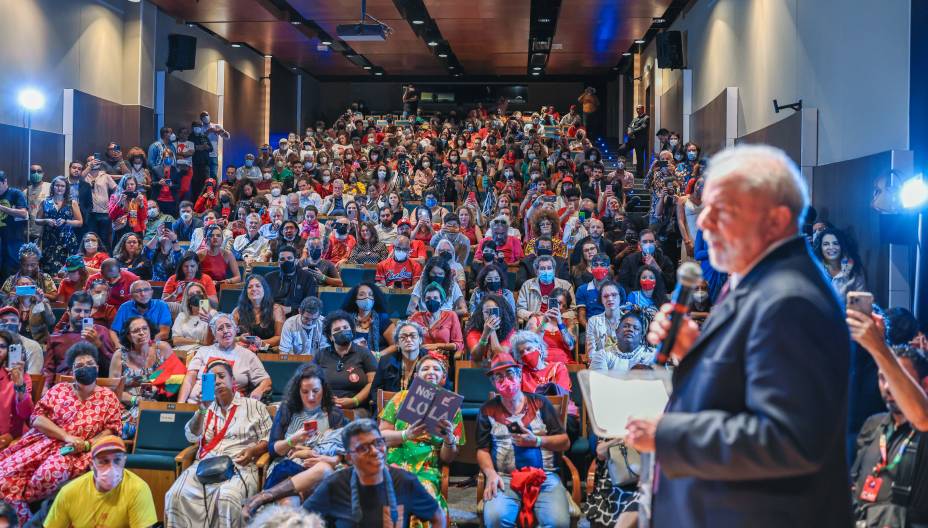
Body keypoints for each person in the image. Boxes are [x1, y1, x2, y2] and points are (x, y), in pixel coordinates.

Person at [626, 145, 852, 527]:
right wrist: (694, 348)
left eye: (721, 209)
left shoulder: (791, 299)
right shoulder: (753, 280)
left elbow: (788, 439)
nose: (705, 222)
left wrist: (668, 435)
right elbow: (744, 382)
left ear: (775, 220)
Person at [0, 342, 122, 524]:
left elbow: (112, 429)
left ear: (97, 367)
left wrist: (87, 444)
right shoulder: (59, 389)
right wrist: (65, 436)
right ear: (72, 371)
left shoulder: (107, 396)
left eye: (89, 364)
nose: (85, 368)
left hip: (77, 452)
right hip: (43, 442)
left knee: (47, 475)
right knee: (4, 476)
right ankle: (25, 520)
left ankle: (31, 517)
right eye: (79, 365)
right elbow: (37, 418)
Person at [164, 358, 271, 528]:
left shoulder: (254, 406)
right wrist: (201, 409)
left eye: (221, 376)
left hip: (240, 465)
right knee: (175, 494)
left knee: (227, 498)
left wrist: (253, 451)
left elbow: (269, 439)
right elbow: (191, 437)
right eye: (212, 379)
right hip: (205, 465)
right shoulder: (206, 408)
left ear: (233, 380)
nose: (218, 381)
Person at [477, 352, 571, 528]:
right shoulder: (487, 410)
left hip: (545, 477)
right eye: (499, 376)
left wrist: (536, 441)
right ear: (494, 383)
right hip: (504, 478)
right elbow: (482, 449)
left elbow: (564, 442)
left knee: (558, 523)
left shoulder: (540, 403)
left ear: (520, 375)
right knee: (496, 519)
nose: (506, 380)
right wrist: (490, 474)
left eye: (510, 374)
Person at [302, 419, 445, 527]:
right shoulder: (335, 484)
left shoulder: (405, 482)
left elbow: (437, 516)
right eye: (363, 448)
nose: (375, 451)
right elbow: (302, 519)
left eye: (378, 443)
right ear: (349, 457)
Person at [379, 353, 463, 521]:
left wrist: (448, 438)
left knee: (421, 505)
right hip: (394, 463)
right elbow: (380, 437)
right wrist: (405, 434)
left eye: (436, 369)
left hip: (427, 468)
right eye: (425, 368)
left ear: (442, 377)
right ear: (417, 376)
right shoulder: (400, 398)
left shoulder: (452, 408)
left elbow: (448, 458)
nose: (430, 371)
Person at [260, 363, 347, 503]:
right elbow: (273, 450)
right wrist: (292, 440)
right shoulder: (287, 409)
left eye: (316, 391)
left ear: (323, 389)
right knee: (289, 502)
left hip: (319, 467)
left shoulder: (333, 413)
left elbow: (343, 449)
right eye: (305, 392)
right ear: (297, 391)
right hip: (287, 468)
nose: (311, 397)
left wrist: (332, 459)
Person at [43, 435, 157, 528]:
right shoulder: (69, 492)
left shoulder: (138, 489)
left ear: (124, 461)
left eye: (117, 460)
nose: (111, 468)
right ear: (92, 465)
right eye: (104, 461)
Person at [177, 313, 272, 403]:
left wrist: (259, 390)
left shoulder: (248, 355)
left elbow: (266, 381)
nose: (226, 331)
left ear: (235, 330)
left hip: (231, 408)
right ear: (214, 334)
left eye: (229, 326)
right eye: (220, 328)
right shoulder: (203, 351)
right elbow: (189, 380)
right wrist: (180, 405)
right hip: (197, 404)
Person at [110, 315, 173, 438]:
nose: (141, 333)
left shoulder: (162, 348)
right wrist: (135, 400)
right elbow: (113, 390)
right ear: (128, 336)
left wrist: (157, 388)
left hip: (157, 403)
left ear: (150, 330)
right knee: (125, 424)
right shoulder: (119, 355)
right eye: (135, 331)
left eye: (145, 328)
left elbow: (176, 377)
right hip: (127, 405)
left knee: (151, 418)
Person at [44, 291, 118, 390]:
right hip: (63, 388)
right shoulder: (55, 337)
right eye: (78, 310)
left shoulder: (101, 332)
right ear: (68, 311)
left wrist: (98, 344)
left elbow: (112, 367)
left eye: (86, 311)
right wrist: (45, 388)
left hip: (93, 386)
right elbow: (48, 370)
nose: (82, 315)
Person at [313, 310, 377, 416]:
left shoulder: (364, 353)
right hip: (326, 408)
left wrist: (354, 401)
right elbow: (310, 382)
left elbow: (373, 383)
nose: (342, 331)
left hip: (358, 409)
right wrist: (326, 399)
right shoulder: (320, 355)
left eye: (345, 328)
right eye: (337, 329)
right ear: (330, 337)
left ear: (352, 330)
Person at [368, 320, 426, 407]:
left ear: (420, 340)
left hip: (419, 411)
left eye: (413, 336)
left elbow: (442, 391)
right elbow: (375, 391)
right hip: (390, 409)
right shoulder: (386, 361)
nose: (408, 339)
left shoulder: (430, 361)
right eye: (403, 337)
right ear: (397, 343)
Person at [588, 302, 655, 373]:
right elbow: (597, 382)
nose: (630, 329)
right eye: (626, 326)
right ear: (617, 331)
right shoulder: (603, 355)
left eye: (636, 328)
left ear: (642, 335)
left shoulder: (651, 355)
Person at [36, 176, 83, 274]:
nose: (59, 188)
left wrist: (66, 221)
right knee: (49, 270)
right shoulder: (45, 202)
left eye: (62, 186)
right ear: (53, 186)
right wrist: (46, 220)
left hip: (67, 240)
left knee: (68, 270)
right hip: (49, 241)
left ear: (66, 188)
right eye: (57, 185)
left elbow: (80, 222)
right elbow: (37, 220)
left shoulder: (72, 203)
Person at [408, 284, 465, 361]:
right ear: (424, 301)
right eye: (428, 298)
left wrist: (437, 346)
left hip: (443, 358)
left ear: (441, 300)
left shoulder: (451, 315)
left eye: (435, 298)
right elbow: (408, 339)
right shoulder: (416, 317)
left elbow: (458, 344)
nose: (431, 301)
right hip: (421, 358)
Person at [516, 255, 575, 326]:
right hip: (536, 323)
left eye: (549, 268)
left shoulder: (566, 285)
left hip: (558, 323)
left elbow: (573, 310)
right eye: (542, 268)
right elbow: (520, 309)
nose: (546, 271)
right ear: (536, 271)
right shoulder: (527, 285)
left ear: (554, 270)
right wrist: (532, 314)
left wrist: (558, 316)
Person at [525, 288, 578, 365]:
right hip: (540, 364)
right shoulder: (535, 320)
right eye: (558, 303)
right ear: (549, 302)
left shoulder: (569, 322)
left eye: (564, 306)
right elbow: (533, 344)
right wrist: (544, 322)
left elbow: (570, 346)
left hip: (564, 365)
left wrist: (560, 323)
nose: (560, 308)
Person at [813, 227, 868, 302]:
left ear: (842, 246)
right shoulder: (814, 268)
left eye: (835, 243)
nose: (831, 247)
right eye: (826, 244)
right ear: (820, 248)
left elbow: (861, 302)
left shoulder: (854, 270)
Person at [232, 274, 286, 349]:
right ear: (246, 292)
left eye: (258, 286)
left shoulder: (276, 309)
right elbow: (230, 336)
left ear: (265, 289)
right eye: (250, 287)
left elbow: (279, 337)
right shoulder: (237, 311)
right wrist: (239, 339)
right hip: (243, 351)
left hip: (267, 353)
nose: (253, 289)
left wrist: (261, 343)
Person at [0, 329, 32, 440]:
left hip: (13, 439)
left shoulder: (21, 378)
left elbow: (26, 413)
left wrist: (19, 384)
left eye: (2, 346)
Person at [466, 293, 517, 362]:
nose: (491, 316)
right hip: (479, 369)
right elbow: (476, 357)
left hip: (502, 370)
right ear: (482, 313)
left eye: (494, 312)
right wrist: (485, 334)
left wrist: (492, 331)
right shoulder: (474, 331)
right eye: (487, 312)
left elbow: (501, 357)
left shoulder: (510, 332)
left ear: (502, 313)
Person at [171, 281, 216, 354]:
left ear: (204, 295)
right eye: (191, 294)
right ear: (188, 299)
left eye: (198, 293)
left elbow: (211, 342)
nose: (196, 296)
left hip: (203, 352)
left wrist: (210, 321)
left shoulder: (212, 314)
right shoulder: (182, 315)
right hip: (183, 352)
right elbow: (176, 340)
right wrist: (198, 341)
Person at [0, 171, 30, 280]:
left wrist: (2, 207)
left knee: (12, 272)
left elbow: (23, 213)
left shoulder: (15, 193)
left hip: (13, 240)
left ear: (5, 181)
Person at [0, 306, 43, 375]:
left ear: (19, 326)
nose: (8, 323)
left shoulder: (32, 346)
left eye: (13, 320)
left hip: (22, 383)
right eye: (4, 321)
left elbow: (34, 377)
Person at [108, 175, 147, 246]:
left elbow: (143, 217)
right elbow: (111, 216)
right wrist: (119, 202)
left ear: (136, 185)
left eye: (132, 184)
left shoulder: (141, 197)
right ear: (123, 185)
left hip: (136, 228)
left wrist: (141, 204)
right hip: (120, 227)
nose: (129, 186)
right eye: (127, 184)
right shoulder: (115, 197)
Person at [624, 105, 650, 177]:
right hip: (632, 140)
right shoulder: (635, 119)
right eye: (636, 109)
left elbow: (642, 127)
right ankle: (623, 168)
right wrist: (629, 130)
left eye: (639, 109)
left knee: (640, 157)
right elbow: (630, 126)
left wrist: (632, 131)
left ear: (643, 109)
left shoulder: (646, 118)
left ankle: (640, 174)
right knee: (621, 150)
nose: (637, 110)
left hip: (641, 141)